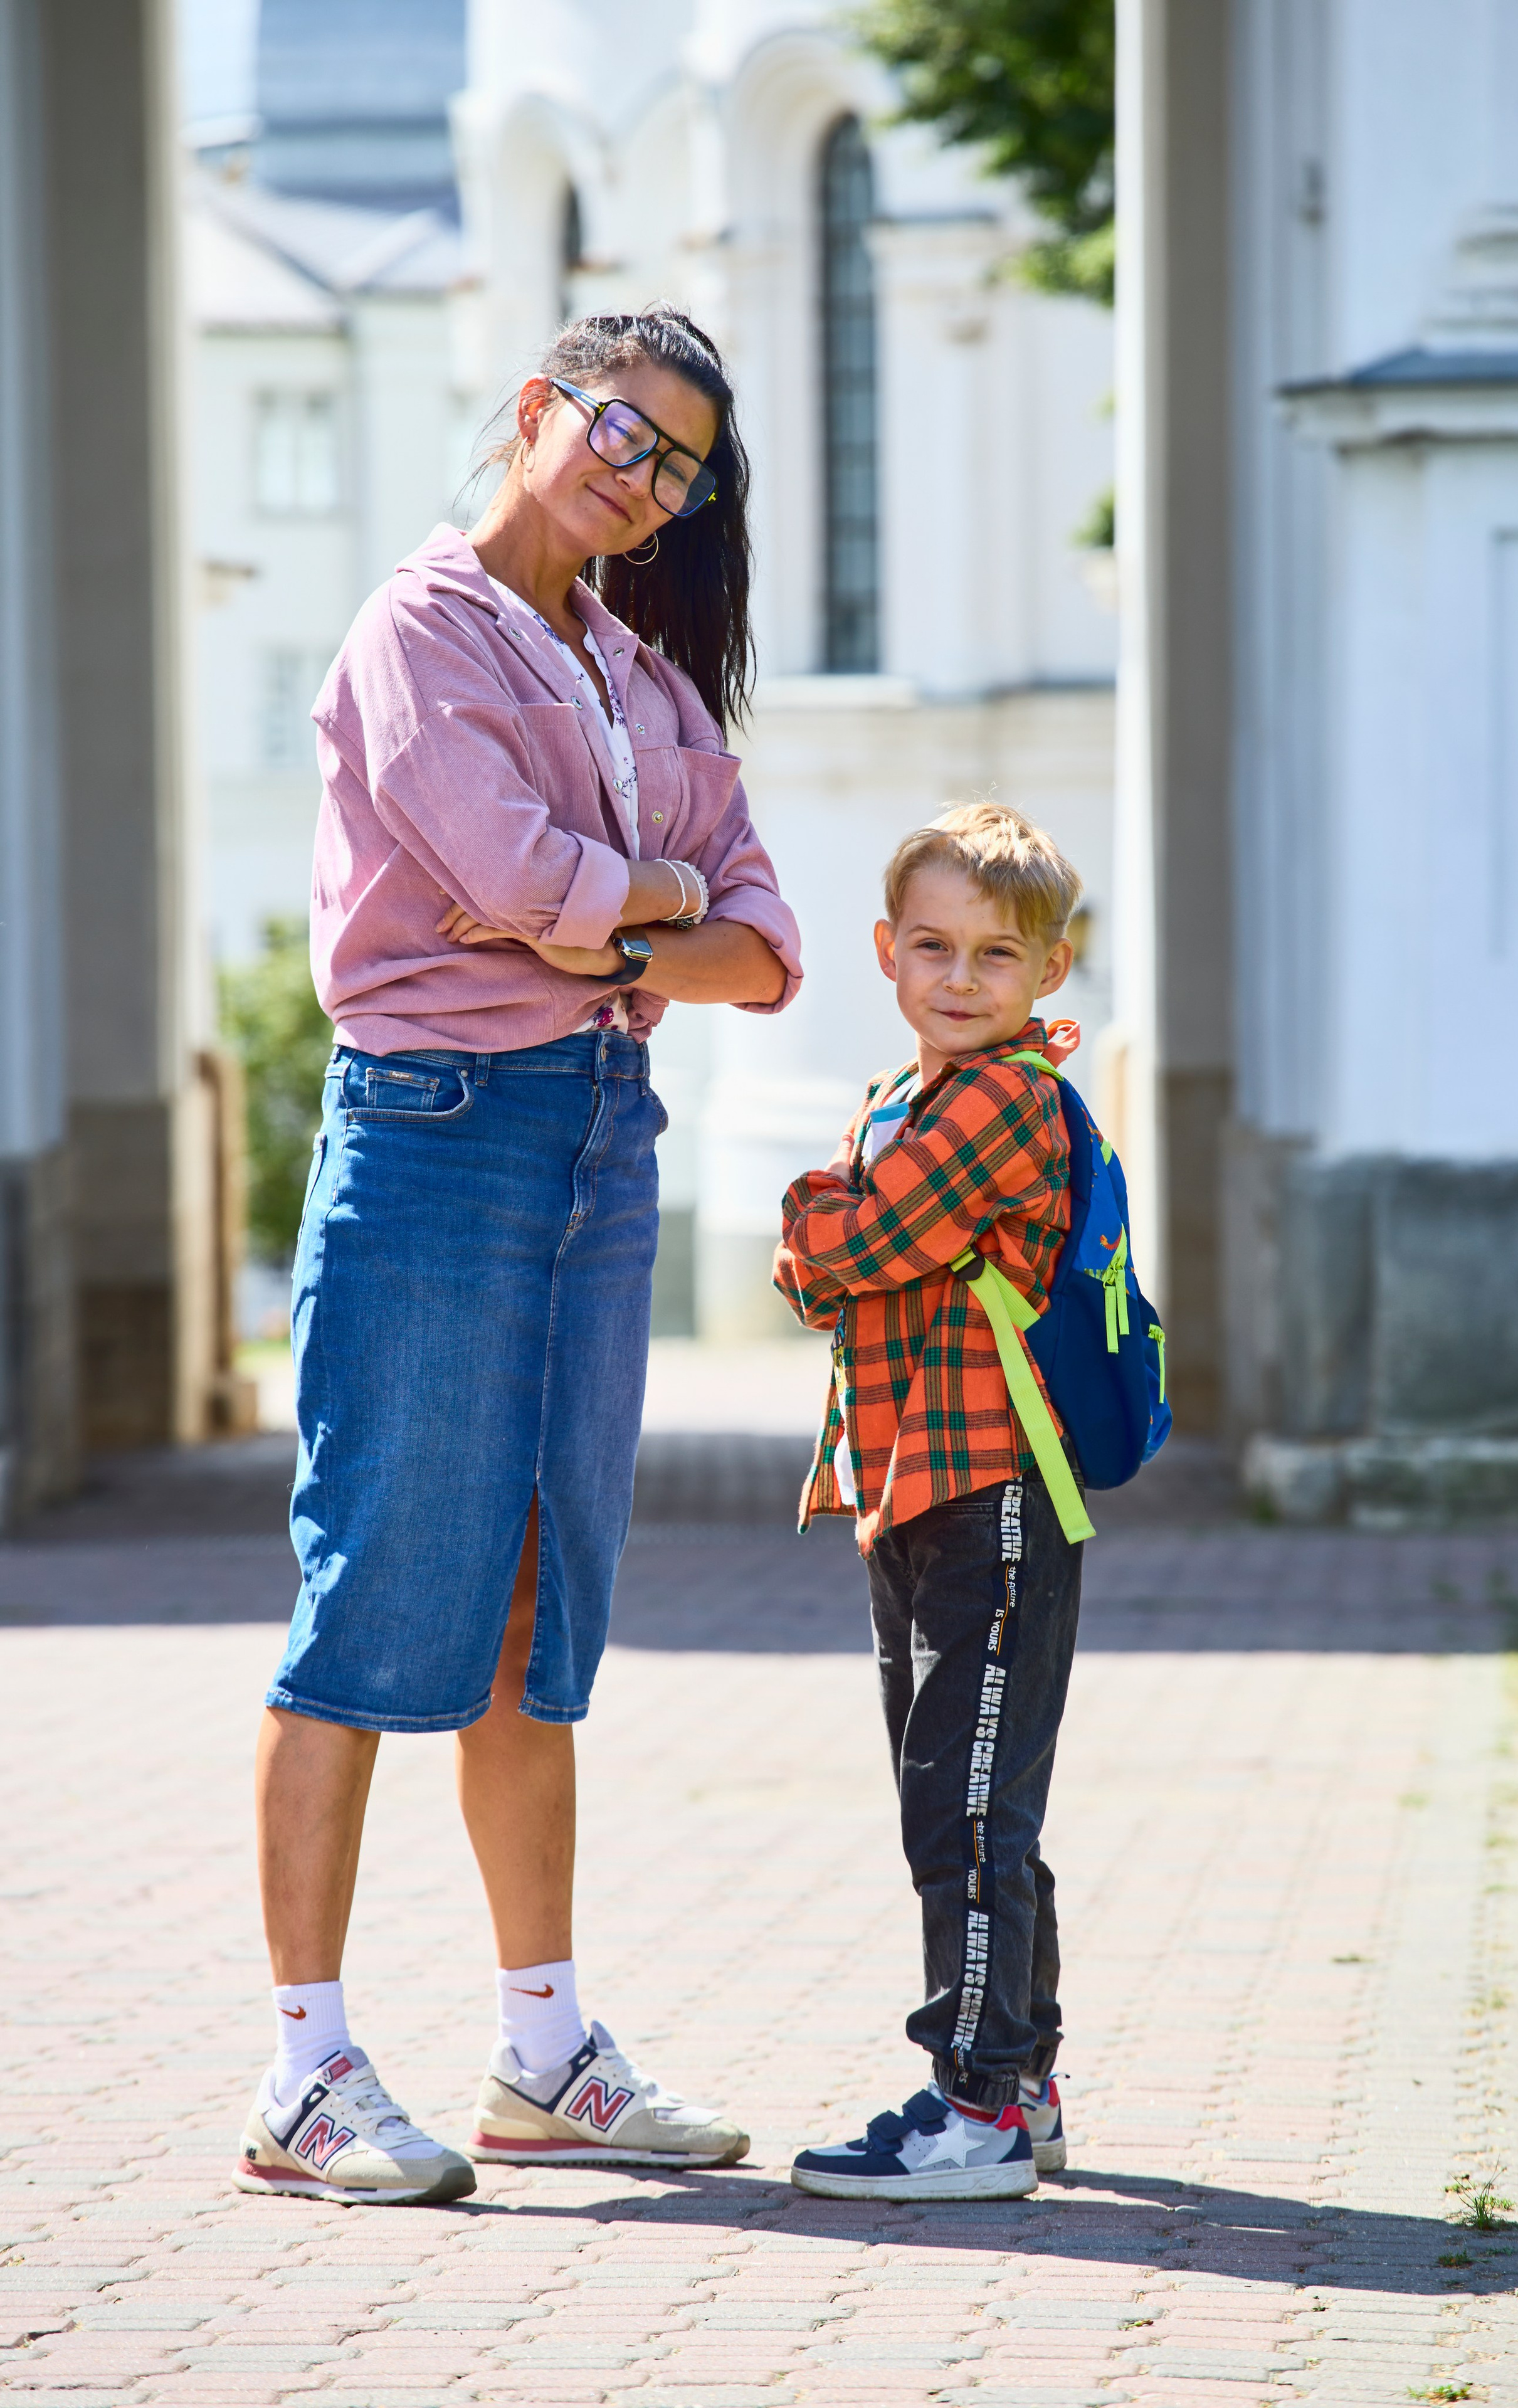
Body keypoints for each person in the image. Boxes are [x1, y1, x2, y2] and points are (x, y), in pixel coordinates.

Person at [234, 306, 802, 2206]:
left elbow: (766, 939)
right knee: (376, 1593)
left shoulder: (641, 677)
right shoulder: (420, 628)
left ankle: (542, 2054)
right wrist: (645, 908)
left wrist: (624, 929)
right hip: (437, 1143)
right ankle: (304, 2071)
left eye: (678, 465)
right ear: (542, 408)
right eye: (622, 431)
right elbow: (514, 887)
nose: (638, 477)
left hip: (597, 1142)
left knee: (533, 1619)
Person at [772, 801, 1085, 2202]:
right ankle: (1023, 2081)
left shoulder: (1006, 1100)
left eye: (996, 955)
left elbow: (861, 1239)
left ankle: (976, 2109)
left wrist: (819, 1212)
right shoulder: (899, 1099)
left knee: (961, 1814)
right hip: (903, 1492)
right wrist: (830, 1228)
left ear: (1048, 973)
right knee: (966, 1801)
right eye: (933, 947)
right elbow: (811, 1278)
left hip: (989, 1495)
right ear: (887, 955)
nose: (961, 979)